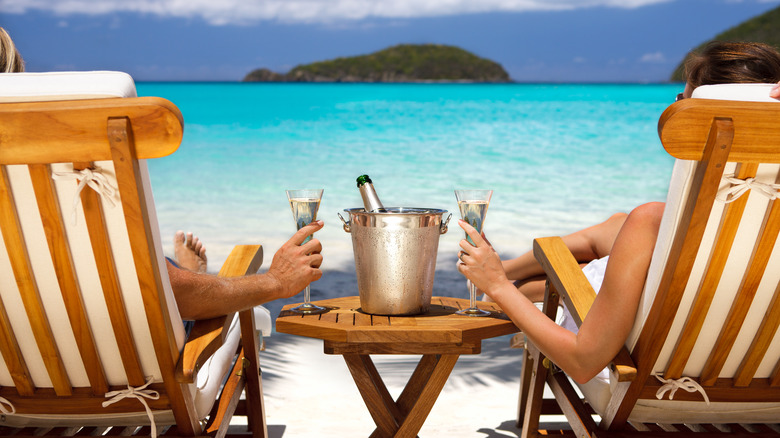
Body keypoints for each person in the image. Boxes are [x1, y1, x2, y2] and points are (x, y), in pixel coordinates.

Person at [457, 41, 780, 384]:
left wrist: (498, 288)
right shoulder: (754, 235)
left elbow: (583, 362)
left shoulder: (653, 223)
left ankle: (502, 279)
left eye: (681, 102)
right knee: (620, 225)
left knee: (636, 224)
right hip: (757, 376)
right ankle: (509, 272)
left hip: (646, 372)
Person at [0, 26, 325, 321]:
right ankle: (183, 272)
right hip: (123, 377)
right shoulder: (50, 183)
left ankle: (180, 270)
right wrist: (275, 281)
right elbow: (169, 295)